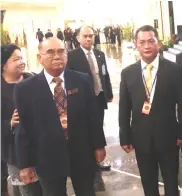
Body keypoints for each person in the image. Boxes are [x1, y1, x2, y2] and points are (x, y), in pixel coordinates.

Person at [14, 38, 106, 196]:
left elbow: (93, 116)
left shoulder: (82, 80)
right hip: (47, 157)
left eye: (61, 51)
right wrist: (25, 164)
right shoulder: (25, 89)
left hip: (81, 153)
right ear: (39, 57)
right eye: (50, 52)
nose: (57, 56)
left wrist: (99, 145)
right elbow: (23, 129)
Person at [119, 25, 182, 196]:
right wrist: (125, 136)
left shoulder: (174, 70)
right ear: (136, 44)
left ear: (158, 43)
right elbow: (124, 108)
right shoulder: (128, 73)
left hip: (168, 137)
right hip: (141, 138)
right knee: (148, 182)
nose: (147, 46)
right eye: (142, 42)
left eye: (151, 41)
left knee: (171, 181)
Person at [66, 24, 113, 191]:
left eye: (91, 36)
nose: (88, 39)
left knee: (98, 126)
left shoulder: (99, 54)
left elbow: (104, 74)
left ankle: (97, 157)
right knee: (86, 129)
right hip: (83, 100)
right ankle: (91, 164)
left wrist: (108, 92)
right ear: (78, 38)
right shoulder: (72, 56)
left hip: (99, 97)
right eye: (85, 36)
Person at [1, 44, 42, 196]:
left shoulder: (33, 79)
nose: (21, 62)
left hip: (40, 145)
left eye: (21, 58)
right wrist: (9, 124)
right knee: (27, 189)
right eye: (15, 59)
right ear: (3, 65)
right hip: (15, 151)